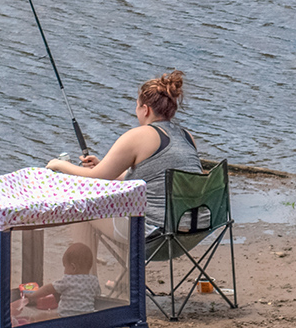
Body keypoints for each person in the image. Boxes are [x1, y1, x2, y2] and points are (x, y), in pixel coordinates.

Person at [46, 69, 202, 233]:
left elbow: (95, 177)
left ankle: (81, 258)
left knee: (83, 204)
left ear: (145, 109)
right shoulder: (186, 136)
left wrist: (60, 165)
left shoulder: (138, 135)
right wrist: (106, 166)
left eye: (137, 106)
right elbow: (155, 178)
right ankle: (87, 258)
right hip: (194, 228)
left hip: (156, 232)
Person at [13, 242, 101, 322]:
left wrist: (33, 295)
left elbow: (48, 289)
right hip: (87, 318)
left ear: (73, 268)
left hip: (65, 318)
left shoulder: (68, 280)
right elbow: (97, 295)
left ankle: (32, 321)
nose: (64, 271)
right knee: (53, 314)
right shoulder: (94, 280)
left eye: (65, 267)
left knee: (45, 315)